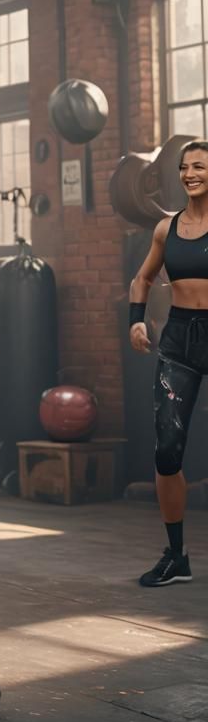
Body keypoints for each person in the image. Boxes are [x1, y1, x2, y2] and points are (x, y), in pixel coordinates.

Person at [128, 138, 208, 588]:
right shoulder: (167, 228)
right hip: (179, 340)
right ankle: (176, 556)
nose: (190, 174)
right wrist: (136, 321)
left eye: (199, 166)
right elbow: (142, 278)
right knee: (167, 451)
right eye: (184, 167)